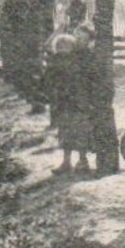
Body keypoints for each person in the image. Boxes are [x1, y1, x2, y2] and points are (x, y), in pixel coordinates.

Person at [45, 31, 95, 175]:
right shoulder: (57, 61)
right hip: (66, 101)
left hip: (77, 101)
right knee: (67, 132)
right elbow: (50, 79)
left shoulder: (78, 59)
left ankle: (81, 161)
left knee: (79, 131)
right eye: (59, 46)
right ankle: (68, 162)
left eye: (64, 46)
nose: (62, 49)